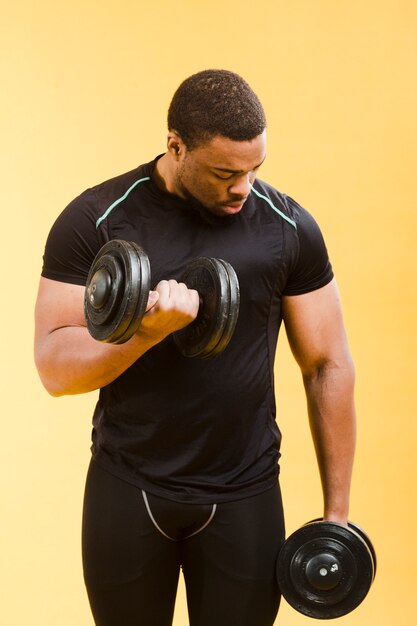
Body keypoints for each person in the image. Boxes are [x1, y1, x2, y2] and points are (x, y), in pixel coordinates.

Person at [34, 69, 356, 626]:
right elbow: (56, 370)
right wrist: (147, 332)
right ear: (175, 146)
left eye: (255, 170)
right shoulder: (96, 220)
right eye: (224, 173)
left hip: (245, 492)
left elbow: (327, 365)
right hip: (128, 485)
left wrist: (338, 515)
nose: (242, 188)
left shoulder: (288, 228)